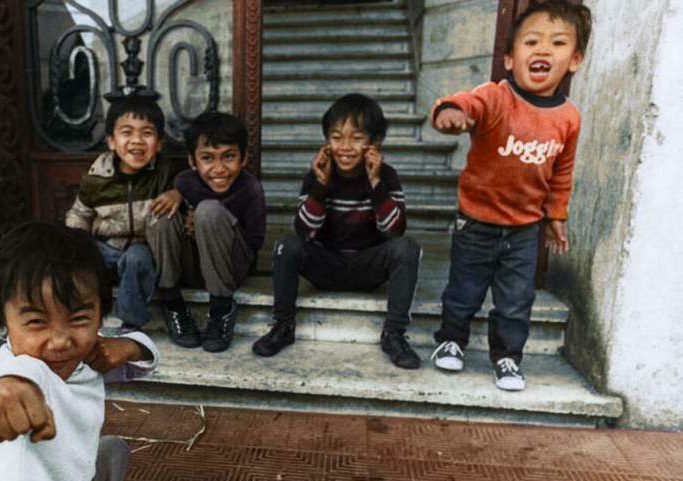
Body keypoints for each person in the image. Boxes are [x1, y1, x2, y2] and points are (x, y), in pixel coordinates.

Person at [429, 0, 592, 391]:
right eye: (531, 41)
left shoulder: (568, 118)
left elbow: (562, 172)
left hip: (524, 229)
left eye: (557, 43)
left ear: (574, 60)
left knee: (516, 301)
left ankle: (507, 358)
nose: (542, 50)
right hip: (476, 222)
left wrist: (556, 215)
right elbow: (464, 102)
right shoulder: (496, 97)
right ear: (508, 58)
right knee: (464, 290)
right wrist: (450, 112)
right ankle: (451, 340)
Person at [0, 220, 160, 481]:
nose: (59, 341)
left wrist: (127, 347)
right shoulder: (21, 365)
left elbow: (148, 357)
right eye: (36, 322)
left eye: (78, 319)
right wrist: (8, 394)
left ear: (100, 315)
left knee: (115, 449)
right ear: (4, 322)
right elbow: (8, 383)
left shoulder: (88, 358)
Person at [251, 93, 422, 369]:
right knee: (287, 245)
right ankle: (283, 326)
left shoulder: (386, 176)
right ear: (326, 143)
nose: (345, 147)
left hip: (368, 267)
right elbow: (305, 232)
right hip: (327, 265)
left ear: (374, 144)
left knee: (407, 248)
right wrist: (320, 185)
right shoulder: (319, 174)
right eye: (336, 137)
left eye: (356, 138)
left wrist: (376, 183)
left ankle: (394, 334)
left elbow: (394, 231)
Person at [147, 112, 266, 352]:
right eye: (207, 158)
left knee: (209, 211)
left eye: (229, 157)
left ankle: (221, 309)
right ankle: (173, 303)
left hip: (231, 268)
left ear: (243, 158)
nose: (219, 168)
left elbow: (254, 242)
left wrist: (212, 226)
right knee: (162, 216)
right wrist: (176, 196)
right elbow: (179, 199)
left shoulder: (251, 188)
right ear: (193, 161)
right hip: (193, 268)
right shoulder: (185, 182)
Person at [65, 95, 174, 331]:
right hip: (104, 249)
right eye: (127, 132)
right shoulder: (97, 177)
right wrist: (76, 242)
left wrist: (178, 194)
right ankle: (66, 317)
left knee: (137, 257)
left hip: (140, 253)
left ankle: (131, 324)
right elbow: (80, 214)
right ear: (112, 141)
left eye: (147, 133)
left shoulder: (164, 174)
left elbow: (182, 199)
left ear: (159, 143)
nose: (137, 141)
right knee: (65, 258)